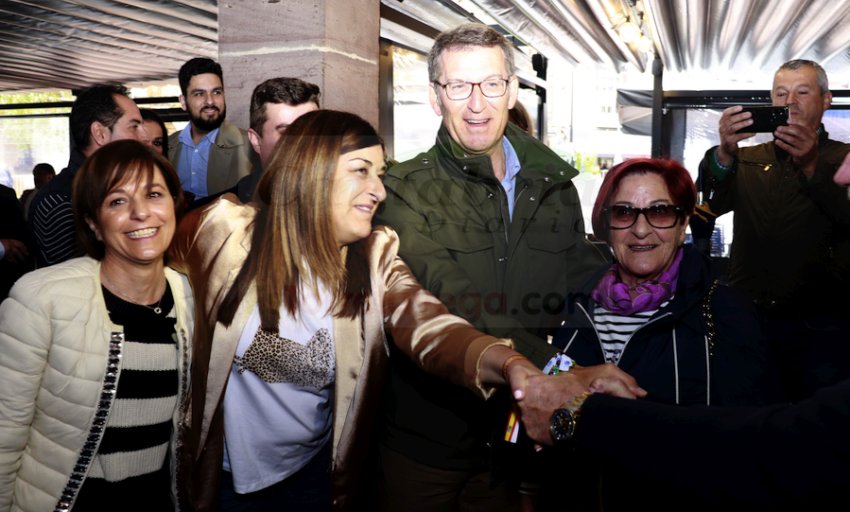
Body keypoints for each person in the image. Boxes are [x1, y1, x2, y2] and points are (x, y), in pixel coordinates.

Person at [168, 110, 616, 512]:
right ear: (311, 173)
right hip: (219, 476)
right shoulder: (221, 231)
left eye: (379, 174)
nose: (379, 191)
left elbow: (432, 327)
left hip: (313, 476)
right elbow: (147, 280)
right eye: (361, 171)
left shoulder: (375, 257)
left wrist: (514, 364)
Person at [374, 23, 607, 511]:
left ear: (512, 90)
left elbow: (582, 291)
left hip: (514, 443)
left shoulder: (554, 188)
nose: (476, 104)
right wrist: (563, 371)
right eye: (459, 86)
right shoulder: (403, 190)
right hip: (426, 443)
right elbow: (457, 303)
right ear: (437, 97)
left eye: (491, 84)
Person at [544, 158, 785, 510]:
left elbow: (757, 440)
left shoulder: (724, 311)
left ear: (684, 220)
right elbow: (541, 402)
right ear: (607, 223)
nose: (641, 230)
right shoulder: (576, 305)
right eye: (624, 213)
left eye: (659, 212)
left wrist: (621, 413)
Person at [0, 140, 193, 512]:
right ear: (93, 223)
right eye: (117, 201)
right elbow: (4, 435)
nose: (141, 213)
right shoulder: (43, 299)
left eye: (154, 194)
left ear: (174, 204)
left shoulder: (190, 298)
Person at [700, 59, 850, 402]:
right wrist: (724, 153)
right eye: (781, 93)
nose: (790, 102)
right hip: (747, 319)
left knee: (815, 430)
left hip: (819, 328)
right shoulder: (749, 157)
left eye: (802, 91)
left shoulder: (844, 158)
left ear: (826, 100)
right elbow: (710, 204)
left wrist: (811, 164)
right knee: (742, 415)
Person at [29, 84, 151, 267]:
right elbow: (74, 282)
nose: (146, 137)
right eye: (134, 126)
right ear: (100, 134)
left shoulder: (117, 186)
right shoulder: (59, 201)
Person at [188, 77, 320, 209]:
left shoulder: (337, 201)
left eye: (311, 130)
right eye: (286, 133)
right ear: (256, 140)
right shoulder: (213, 214)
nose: (302, 141)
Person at [167, 57, 255, 199]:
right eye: (200, 94)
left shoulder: (251, 146)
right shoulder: (166, 146)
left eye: (216, 92)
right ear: (183, 102)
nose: (210, 101)